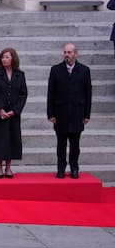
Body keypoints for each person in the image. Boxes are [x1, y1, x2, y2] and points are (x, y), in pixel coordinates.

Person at [47, 43, 92, 179]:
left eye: (69, 52)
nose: (66, 55)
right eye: (65, 52)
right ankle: (61, 168)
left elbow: (88, 93)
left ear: (75, 54)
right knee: (61, 144)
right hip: (60, 113)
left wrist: (87, 114)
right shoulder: (55, 70)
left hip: (77, 113)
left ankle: (74, 168)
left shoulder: (84, 70)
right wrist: (51, 113)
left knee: (75, 145)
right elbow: (51, 93)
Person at [0, 48, 28, 179]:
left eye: (7, 57)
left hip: (13, 113)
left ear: (13, 58)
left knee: (11, 139)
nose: (4, 59)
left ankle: (8, 167)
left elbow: (23, 94)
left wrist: (15, 110)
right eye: (2, 57)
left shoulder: (20, 75)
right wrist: (0, 109)